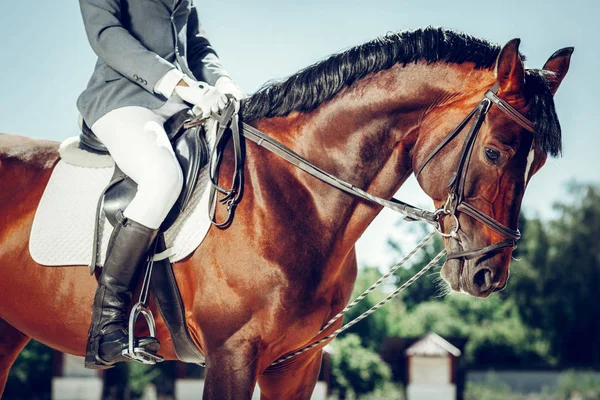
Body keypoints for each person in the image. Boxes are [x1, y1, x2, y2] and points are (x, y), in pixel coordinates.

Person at [77, 0, 245, 369]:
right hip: (122, 97)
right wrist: (184, 86)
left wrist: (224, 82)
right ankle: (106, 325)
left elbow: (197, 45)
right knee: (162, 177)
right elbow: (106, 35)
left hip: (183, 104)